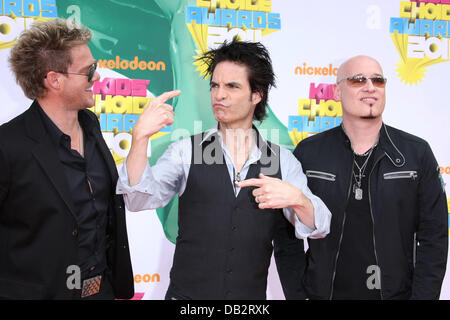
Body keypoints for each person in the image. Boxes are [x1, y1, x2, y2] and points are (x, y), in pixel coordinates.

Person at [117, 39, 331, 300]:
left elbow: (320, 224)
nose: (219, 95)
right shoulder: (186, 151)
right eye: (215, 86)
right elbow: (138, 199)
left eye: (232, 86)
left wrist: (298, 200)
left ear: (257, 94)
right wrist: (140, 139)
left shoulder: (281, 160)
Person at [293, 55, 448, 300]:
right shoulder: (309, 153)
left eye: (378, 80)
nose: (370, 87)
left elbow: (435, 237)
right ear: (337, 92)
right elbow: (286, 233)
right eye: (357, 80)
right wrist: (297, 294)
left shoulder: (416, 153)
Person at [0, 19, 134, 299]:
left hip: (102, 292)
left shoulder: (92, 126)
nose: (97, 77)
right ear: (54, 80)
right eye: (89, 71)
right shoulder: (9, 145)